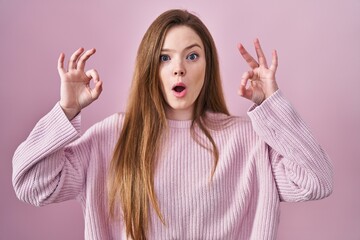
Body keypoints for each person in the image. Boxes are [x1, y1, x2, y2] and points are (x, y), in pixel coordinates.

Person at [12, 9, 333, 240]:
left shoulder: (248, 141)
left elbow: (315, 181)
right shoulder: (111, 137)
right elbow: (31, 184)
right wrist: (67, 109)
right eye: (165, 57)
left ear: (208, 66)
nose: (179, 68)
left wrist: (270, 104)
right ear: (149, 67)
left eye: (192, 56)